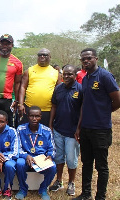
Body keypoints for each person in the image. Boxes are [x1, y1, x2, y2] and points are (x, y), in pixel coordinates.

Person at [73, 48, 120, 200]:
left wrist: (105, 112)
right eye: (83, 59)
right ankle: (86, 194)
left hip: (101, 129)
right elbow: (84, 104)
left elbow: (117, 99)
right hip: (86, 128)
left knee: (101, 166)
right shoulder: (85, 78)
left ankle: (100, 196)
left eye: (89, 58)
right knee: (86, 163)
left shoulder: (105, 76)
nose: (86, 61)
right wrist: (79, 127)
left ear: (96, 59)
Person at [48, 65, 82, 196]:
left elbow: (82, 110)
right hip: (58, 129)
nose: (66, 76)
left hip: (72, 132)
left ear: (75, 75)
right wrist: (51, 125)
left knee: (71, 159)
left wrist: (79, 128)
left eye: (70, 74)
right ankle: (59, 180)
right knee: (59, 157)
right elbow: (54, 106)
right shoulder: (58, 88)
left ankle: (71, 182)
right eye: (64, 74)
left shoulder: (80, 89)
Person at [16, 106, 56, 200]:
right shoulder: (20, 129)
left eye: (37, 116)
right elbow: (17, 148)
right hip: (27, 159)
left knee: (53, 166)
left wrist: (50, 156)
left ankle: (43, 189)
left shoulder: (47, 131)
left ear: (41, 117)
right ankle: (22, 189)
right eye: (31, 116)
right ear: (27, 116)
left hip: (40, 160)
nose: (34, 119)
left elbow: (52, 148)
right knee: (19, 163)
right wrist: (26, 156)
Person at [0, 34, 23, 129]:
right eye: (3, 43)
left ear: (12, 45)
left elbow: (18, 83)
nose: (5, 46)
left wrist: (16, 100)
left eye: (8, 44)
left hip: (7, 98)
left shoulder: (17, 63)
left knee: (8, 124)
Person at [19, 48, 61, 127]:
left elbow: (59, 91)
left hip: (47, 111)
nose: (42, 56)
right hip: (29, 109)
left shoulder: (56, 73)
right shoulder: (29, 70)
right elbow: (22, 87)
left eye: (45, 55)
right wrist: (21, 104)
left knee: (44, 134)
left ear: (50, 57)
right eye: (40, 55)